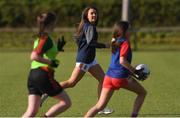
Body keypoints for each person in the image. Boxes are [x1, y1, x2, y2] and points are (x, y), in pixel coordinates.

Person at [40, 6, 113, 114]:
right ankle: (48, 91)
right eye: (91, 13)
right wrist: (106, 45)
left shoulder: (87, 26)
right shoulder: (89, 27)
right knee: (71, 82)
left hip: (91, 60)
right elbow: (91, 43)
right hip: (84, 61)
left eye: (95, 13)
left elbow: (81, 41)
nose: (94, 15)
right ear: (86, 16)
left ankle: (100, 107)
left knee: (103, 79)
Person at [84, 21, 147, 117]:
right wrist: (135, 71)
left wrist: (131, 71)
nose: (130, 31)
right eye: (129, 29)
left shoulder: (114, 40)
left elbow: (117, 61)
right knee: (142, 93)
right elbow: (122, 61)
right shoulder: (125, 43)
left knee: (99, 106)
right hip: (120, 77)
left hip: (109, 77)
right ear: (124, 31)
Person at [22, 11, 71, 117]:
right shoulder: (45, 38)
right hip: (43, 74)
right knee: (66, 102)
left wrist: (58, 48)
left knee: (32, 111)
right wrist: (51, 63)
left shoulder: (40, 37)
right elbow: (34, 56)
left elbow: (47, 54)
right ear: (51, 23)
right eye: (55, 22)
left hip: (33, 75)